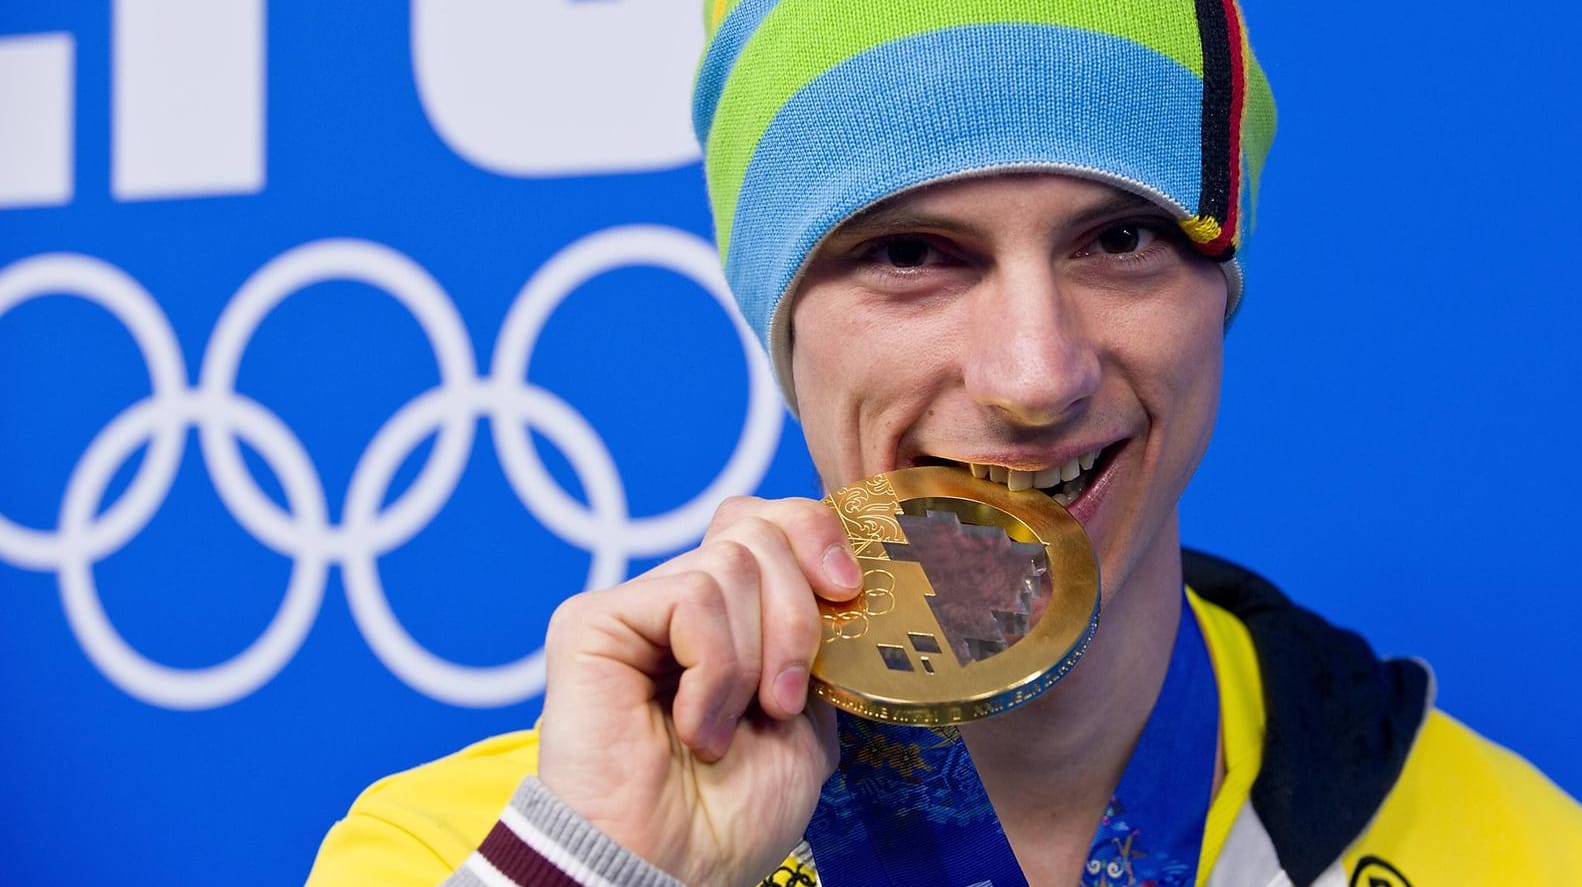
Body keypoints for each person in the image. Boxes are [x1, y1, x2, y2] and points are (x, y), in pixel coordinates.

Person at [307, 2, 1582, 885]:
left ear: (1220, 290)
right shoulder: (474, 851)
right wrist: (608, 866)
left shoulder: (1525, 850)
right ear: (783, 323)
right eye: (911, 252)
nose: (1036, 372)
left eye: (1120, 237)